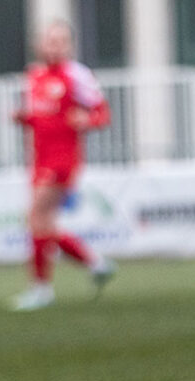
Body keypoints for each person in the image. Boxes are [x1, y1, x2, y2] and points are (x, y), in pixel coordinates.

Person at [9, 20, 116, 311]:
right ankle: (94, 263)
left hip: (62, 159)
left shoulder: (76, 75)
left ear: (69, 45)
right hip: (38, 158)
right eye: (50, 40)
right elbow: (43, 117)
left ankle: (42, 288)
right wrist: (23, 119)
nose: (55, 46)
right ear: (39, 45)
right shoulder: (33, 76)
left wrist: (88, 121)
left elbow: (102, 114)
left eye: (61, 41)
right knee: (42, 224)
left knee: (36, 219)